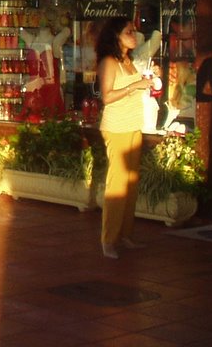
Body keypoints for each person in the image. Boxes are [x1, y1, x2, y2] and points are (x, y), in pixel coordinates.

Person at [96, 16, 157, 259]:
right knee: (118, 183)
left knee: (131, 183)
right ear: (116, 36)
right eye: (128, 32)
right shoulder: (110, 62)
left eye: (133, 31)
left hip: (133, 124)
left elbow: (137, 84)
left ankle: (125, 234)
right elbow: (107, 96)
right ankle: (108, 239)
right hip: (117, 126)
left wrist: (148, 80)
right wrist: (135, 86)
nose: (133, 35)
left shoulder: (128, 61)